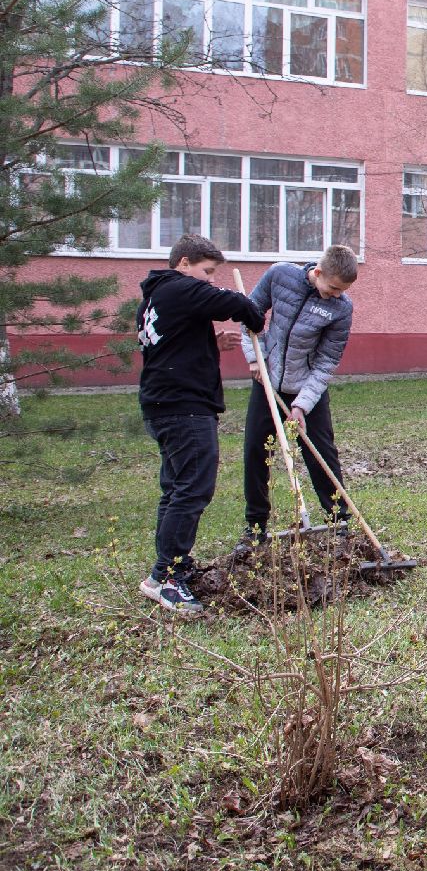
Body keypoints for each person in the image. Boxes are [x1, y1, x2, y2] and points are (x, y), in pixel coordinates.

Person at [136, 234, 266, 613]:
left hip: (162, 405)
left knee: (176, 489)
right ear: (184, 263)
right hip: (184, 407)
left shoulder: (154, 298)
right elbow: (234, 303)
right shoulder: (178, 287)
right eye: (207, 271)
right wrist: (253, 314)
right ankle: (167, 577)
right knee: (193, 489)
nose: (209, 279)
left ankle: (169, 570)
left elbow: (171, 346)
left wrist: (210, 343)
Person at [239, 245, 358, 546]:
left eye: (342, 291)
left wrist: (302, 405)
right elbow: (250, 313)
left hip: (307, 387)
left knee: (321, 453)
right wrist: (254, 357)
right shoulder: (280, 275)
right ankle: (255, 527)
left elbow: (327, 361)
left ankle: (338, 521)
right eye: (332, 288)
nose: (336, 295)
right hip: (268, 381)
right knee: (256, 452)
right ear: (318, 272)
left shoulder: (341, 308)